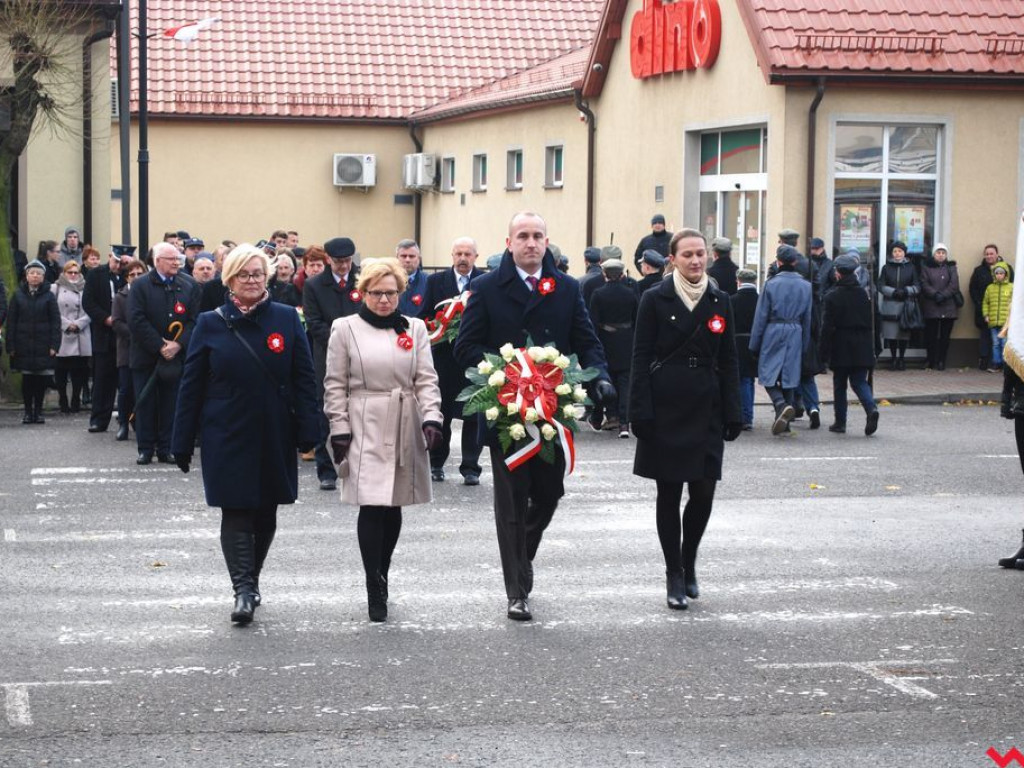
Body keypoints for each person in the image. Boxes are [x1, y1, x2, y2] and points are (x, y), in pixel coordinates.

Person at [454, 211, 614, 622]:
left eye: (537, 235)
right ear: (509, 243)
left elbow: (586, 341)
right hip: (506, 412)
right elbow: (465, 347)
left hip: (551, 411)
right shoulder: (486, 287)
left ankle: (521, 555)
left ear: (546, 241)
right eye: (523, 236)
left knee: (548, 494)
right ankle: (517, 590)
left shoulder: (566, 287)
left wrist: (600, 377)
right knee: (510, 502)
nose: (531, 242)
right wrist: (504, 373)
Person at [172, 244, 319, 625]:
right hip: (226, 430)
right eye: (243, 275)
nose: (251, 281)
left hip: (274, 428)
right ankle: (242, 590)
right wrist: (181, 440)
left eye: (257, 274)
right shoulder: (210, 323)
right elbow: (191, 385)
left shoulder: (287, 318)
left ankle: (251, 580)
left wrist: (310, 428)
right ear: (229, 280)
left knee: (266, 509)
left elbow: (304, 378)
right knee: (235, 507)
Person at [323, 257, 443, 623]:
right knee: (372, 503)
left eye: (391, 293)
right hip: (365, 420)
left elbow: (426, 378)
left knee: (394, 503)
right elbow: (335, 383)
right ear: (363, 293)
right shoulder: (345, 328)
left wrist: (432, 417)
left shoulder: (415, 328)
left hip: (404, 419)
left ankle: (383, 571)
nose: (384, 300)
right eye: (376, 293)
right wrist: (339, 426)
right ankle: (372, 583)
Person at [629, 227, 742, 610]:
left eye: (700, 254)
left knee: (704, 491)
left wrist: (734, 410)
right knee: (669, 493)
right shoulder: (654, 298)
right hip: (665, 405)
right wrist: (639, 411)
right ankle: (673, 573)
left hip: (707, 404)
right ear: (673, 259)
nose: (695, 260)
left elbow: (729, 358)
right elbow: (640, 356)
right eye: (687, 254)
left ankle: (689, 558)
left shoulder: (719, 299)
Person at [419, 236, 485, 484]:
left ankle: (471, 467)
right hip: (444, 359)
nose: (463, 259)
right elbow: (425, 314)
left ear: (476, 257)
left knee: (474, 414)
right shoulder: (436, 281)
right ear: (452, 255)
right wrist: (438, 326)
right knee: (442, 412)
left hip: (473, 360)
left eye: (468, 254)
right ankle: (436, 463)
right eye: (459, 254)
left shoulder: (484, 282)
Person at [128, 241, 200, 465]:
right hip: (146, 355)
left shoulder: (188, 285)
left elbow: (194, 320)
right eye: (171, 259)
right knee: (146, 402)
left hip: (176, 356)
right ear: (157, 261)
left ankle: (166, 447)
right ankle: (145, 448)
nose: (176, 262)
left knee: (172, 403)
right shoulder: (140, 285)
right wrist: (160, 346)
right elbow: (136, 320)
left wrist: (177, 345)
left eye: (178, 258)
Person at [302, 236, 361, 490]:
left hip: (362, 355)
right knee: (327, 411)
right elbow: (314, 323)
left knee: (359, 409)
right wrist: (342, 343)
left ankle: (357, 467)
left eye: (347, 260)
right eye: (338, 261)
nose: (344, 266)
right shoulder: (314, 285)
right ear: (328, 259)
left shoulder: (362, 279)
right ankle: (326, 470)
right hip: (327, 355)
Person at [749, 245, 813, 435]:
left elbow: (761, 316)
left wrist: (754, 344)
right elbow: (808, 318)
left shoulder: (771, 284)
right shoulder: (806, 285)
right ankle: (785, 421)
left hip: (773, 330)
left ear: (778, 261)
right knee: (789, 376)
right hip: (796, 330)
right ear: (795, 261)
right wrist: (805, 343)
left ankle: (780, 404)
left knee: (766, 372)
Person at [819, 255, 879, 435]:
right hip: (863, 343)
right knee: (859, 381)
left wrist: (822, 353)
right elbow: (875, 322)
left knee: (840, 384)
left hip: (841, 344)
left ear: (837, 273)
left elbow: (827, 327)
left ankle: (840, 422)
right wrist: (876, 347)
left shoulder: (832, 296)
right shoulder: (865, 294)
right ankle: (871, 408)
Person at [83, 245, 132, 432]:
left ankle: (130, 419)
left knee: (127, 382)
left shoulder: (131, 276)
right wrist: (105, 318)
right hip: (105, 334)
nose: (119, 266)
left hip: (126, 336)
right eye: (116, 261)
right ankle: (99, 419)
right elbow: (88, 302)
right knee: (102, 379)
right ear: (110, 257)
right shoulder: (96, 275)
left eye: (123, 263)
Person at [589, 258, 639, 437]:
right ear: (621, 275)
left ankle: (610, 416)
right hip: (626, 340)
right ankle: (624, 424)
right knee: (625, 383)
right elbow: (636, 319)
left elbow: (593, 322)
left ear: (604, 274)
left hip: (606, 340)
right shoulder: (630, 294)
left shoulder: (598, 294)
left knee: (606, 380)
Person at [7, 260, 60, 424]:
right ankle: (28, 411)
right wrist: (11, 346)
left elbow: (55, 322)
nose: (35, 276)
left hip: (43, 344)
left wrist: (54, 345)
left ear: (43, 277)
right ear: (26, 275)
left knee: (40, 380)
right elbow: (11, 322)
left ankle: (38, 411)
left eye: (38, 273)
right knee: (27, 379)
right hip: (23, 344)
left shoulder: (49, 296)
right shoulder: (18, 295)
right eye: (32, 273)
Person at [111, 259, 146, 441]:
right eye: (132, 275)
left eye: (140, 274)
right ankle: (123, 423)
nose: (136, 277)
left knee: (143, 390)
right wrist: (137, 335)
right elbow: (117, 322)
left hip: (146, 349)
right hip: (127, 349)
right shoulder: (120, 297)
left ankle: (140, 423)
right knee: (125, 389)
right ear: (126, 278)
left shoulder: (149, 294)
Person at [51, 260, 92, 414]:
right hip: (62, 333)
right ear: (64, 273)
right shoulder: (55, 288)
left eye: (76, 272)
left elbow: (91, 309)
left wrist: (79, 324)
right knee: (61, 371)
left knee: (79, 371)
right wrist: (66, 324)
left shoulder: (87, 288)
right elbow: (52, 310)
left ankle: (76, 399)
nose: (73, 275)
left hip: (81, 332)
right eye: (70, 272)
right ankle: (63, 399)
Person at [876, 240, 920, 370]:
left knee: (903, 335)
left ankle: (902, 358)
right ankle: (893, 358)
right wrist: (893, 292)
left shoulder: (911, 267)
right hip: (890, 304)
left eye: (900, 251)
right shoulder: (886, 267)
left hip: (906, 306)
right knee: (891, 335)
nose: (897, 253)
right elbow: (880, 285)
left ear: (904, 253)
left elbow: (917, 286)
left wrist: (906, 291)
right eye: (895, 251)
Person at [970, 244, 1014, 370]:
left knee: (1003, 340)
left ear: (997, 254)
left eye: (991, 253)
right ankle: (985, 361)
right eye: (987, 254)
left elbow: (1014, 289)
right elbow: (973, 288)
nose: (989, 256)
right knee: (986, 337)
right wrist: (980, 305)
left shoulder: (1008, 268)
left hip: (1004, 313)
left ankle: (1005, 364)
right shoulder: (979, 270)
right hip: (986, 312)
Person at [919, 243, 960, 370]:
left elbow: (954, 284)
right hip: (932, 305)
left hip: (948, 306)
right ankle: (931, 360)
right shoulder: (926, 267)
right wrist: (935, 294)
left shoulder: (951, 267)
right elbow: (924, 283)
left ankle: (942, 360)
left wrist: (943, 295)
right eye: (938, 252)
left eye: (943, 253)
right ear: (934, 254)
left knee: (944, 337)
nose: (941, 255)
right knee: (930, 336)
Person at [731, 268, 759, 430]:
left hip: (737, 341)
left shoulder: (732, 300)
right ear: (755, 281)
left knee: (742, 379)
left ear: (738, 281)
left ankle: (745, 416)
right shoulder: (760, 300)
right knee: (750, 379)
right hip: (756, 341)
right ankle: (748, 414)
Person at [984, 262, 1013, 372]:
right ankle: (996, 363)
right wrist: (986, 315)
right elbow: (985, 303)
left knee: (1004, 343)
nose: (999, 275)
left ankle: (1006, 364)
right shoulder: (990, 288)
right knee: (995, 344)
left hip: (1006, 322)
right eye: (997, 273)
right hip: (993, 321)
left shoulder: (1011, 287)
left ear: (1006, 274)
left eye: (1001, 273)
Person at [396, 239, 428, 316]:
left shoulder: (429, 282)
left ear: (419, 259)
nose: (407, 260)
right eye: (403, 256)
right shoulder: (387, 282)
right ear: (397, 258)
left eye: (411, 256)